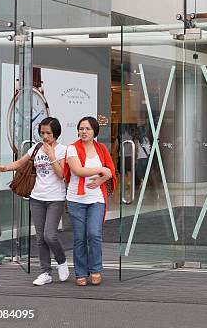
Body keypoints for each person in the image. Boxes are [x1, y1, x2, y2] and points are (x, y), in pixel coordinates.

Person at [0, 117, 69, 286]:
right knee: (40, 238)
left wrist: (51, 155)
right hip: (36, 198)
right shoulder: (35, 148)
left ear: (56, 133)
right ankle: (46, 272)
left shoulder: (63, 150)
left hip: (55, 199)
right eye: (42, 132)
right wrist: (5, 168)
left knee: (50, 235)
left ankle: (62, 261)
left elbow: (61, 174)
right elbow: (21, 163)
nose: (45, 136)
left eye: (48, 133)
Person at [65, 116, 117, 286]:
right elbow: (78, 170)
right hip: (75, 199)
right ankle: (80, 272)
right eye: (81, 128)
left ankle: (95, 269)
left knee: (94, 234)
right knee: (80, 237)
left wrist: (101, 179)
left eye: (87, 128)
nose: (83, 131)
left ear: (95, 131)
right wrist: (101, 169)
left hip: (96, 198)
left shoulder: (101, 148)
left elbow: (111, 171)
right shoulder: (72, 148)